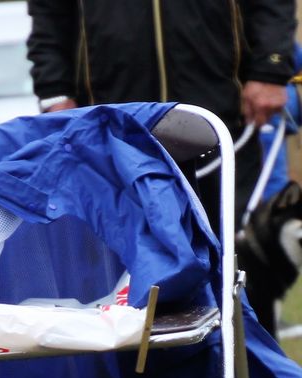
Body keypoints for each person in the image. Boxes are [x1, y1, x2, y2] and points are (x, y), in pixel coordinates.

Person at [26, 1, 295, 224]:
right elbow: (49, 16)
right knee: (123, 260)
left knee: (227, 250)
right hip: (113, 125)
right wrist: (55, 93)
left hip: (220, 118)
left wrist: (270, 70)